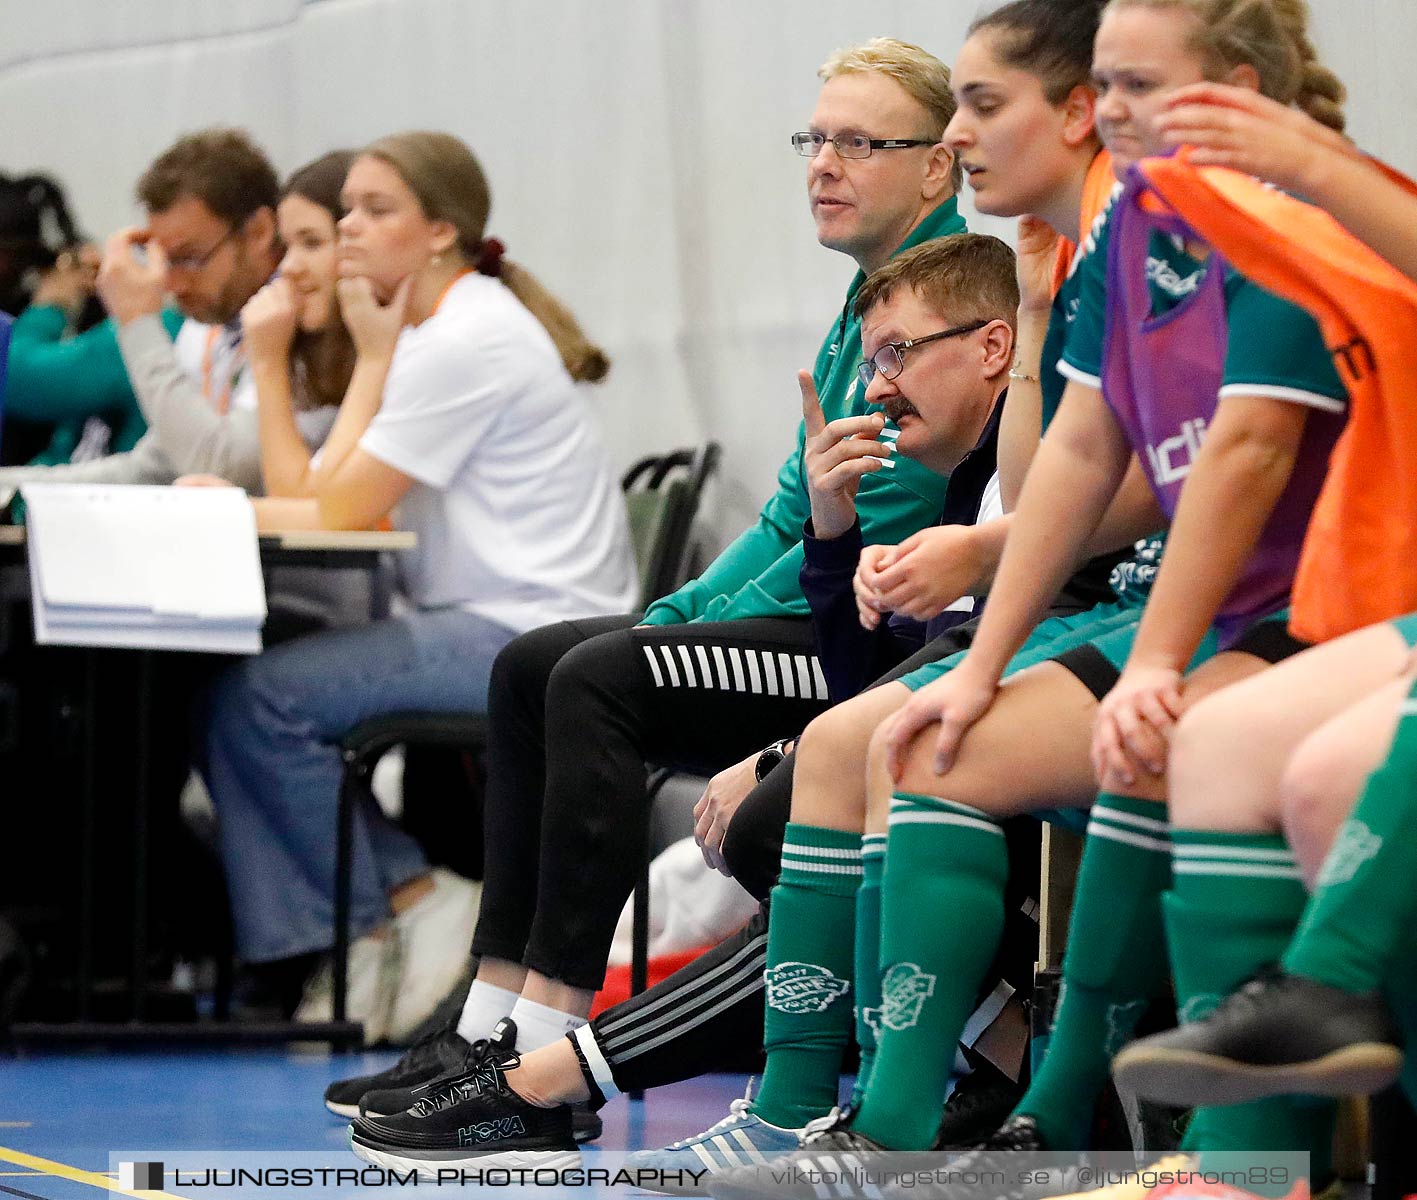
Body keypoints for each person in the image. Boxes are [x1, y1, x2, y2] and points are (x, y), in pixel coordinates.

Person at [695, 1, 1353, 1196]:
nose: (1109, 115)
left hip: (1308, 604)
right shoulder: (1132, 233)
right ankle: (891, 1129)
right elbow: (1074, 467)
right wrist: (981, 662)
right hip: (1198, 606)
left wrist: (1136, 655)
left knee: (1179, 744)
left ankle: (1163, 1143)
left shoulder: (1276, 227)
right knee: (923, 734)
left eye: (982, 104)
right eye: (1102, 87)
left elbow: (1235, 464)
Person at [338, 35, 969, 1171]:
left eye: (858, 142)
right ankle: (491, 1019)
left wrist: (661, 642)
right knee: (534, 661)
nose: (823, 162)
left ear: (935, 169)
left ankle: (543, 1055)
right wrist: (670, 614)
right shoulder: (861, 306)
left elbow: (859, 540)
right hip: (815, 613)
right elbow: (786, 518)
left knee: (600, 678)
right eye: (813, 138)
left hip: (864, 650)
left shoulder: (939, 310)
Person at [199, 130, 637, 1049]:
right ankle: (373, 930)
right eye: (345, 208)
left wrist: (274, 364)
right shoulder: (440, 332)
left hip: (529, 634)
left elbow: (324, 509)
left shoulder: (464, 340)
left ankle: (407, 906)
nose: (349, 227)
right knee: (247, 675)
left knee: (258, 697)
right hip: (491, 620)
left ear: (440, 232)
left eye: (374, 210)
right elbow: (320, 498)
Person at [0, 128, 309, 494]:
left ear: (258, 231)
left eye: (190, 258)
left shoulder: (300, 320)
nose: (172, 284)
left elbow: (226, 467)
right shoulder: (204, 327)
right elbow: (151, 468)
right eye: (164, 260)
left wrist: (137, 322)